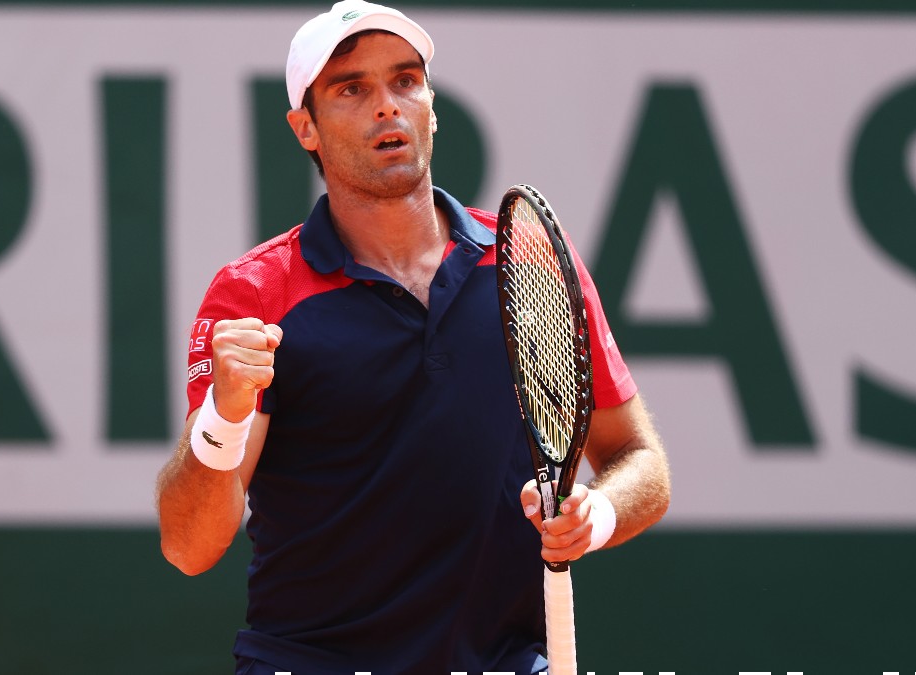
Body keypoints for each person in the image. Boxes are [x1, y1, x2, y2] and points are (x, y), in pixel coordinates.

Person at [155, 2, 670, 673]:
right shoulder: (257, 294)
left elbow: (640, 461)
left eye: (406, 81)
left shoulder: (529, 259)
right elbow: (189, 545)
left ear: (432, 106)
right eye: (351, 89)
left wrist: (591, 515)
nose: (386, 106)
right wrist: (222, 418)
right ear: (305, 127)